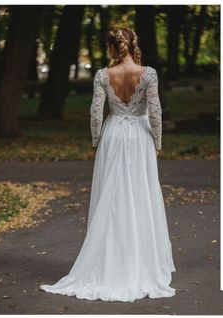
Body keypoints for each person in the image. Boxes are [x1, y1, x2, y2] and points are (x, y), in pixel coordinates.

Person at [39, 27, 176, 302]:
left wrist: (96, 139)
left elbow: (95, 111)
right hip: (140, 137)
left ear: (112, 47)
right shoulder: (148, 73)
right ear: (133, 43)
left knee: (111, 199)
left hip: (113, 136)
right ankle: (140, 262)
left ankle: (110, 260)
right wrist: (158, 142)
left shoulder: (103, 75)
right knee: (140, 196)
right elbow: (155, 110)